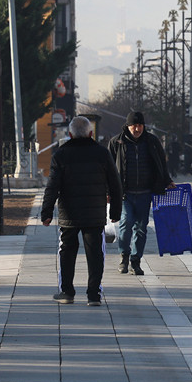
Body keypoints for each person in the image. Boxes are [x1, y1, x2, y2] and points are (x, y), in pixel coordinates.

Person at [41, 116, 123, 306]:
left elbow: (52, 187)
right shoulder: (102, 154)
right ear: (91, 133)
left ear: (69, 134)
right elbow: (115, 184)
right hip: (95, 214)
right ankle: (93, 295)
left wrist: (46, 213)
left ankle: (67, 292)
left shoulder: (60, 155)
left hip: (68, 214)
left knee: (67, 252)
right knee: (95, 253)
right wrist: (115, 213)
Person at [108, 112, 175, 276]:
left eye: (140, 125)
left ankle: (135, 261)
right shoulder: (117, 142)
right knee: (126, 224)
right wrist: (108, 190)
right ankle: (124, 256)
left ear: (144, 126)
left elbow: (161, 163)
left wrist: (167, 181)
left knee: (141, 228)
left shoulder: (152, 141)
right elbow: (108, 168)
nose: (137, 129)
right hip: (125, 193)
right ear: (127, 126)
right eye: (134, 125)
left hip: (145, 193)